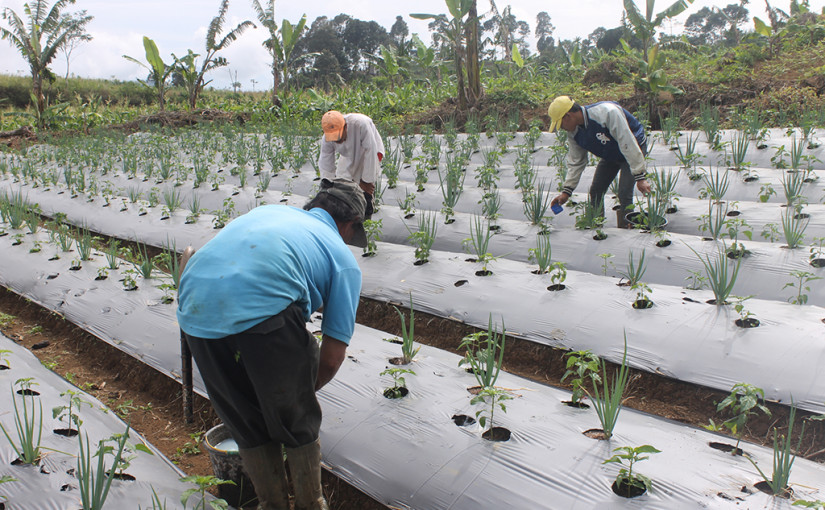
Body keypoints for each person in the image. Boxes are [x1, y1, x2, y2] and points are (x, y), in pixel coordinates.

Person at [176, 179, 366, 510]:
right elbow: (333, 357)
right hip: (265, 309)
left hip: (194, 307)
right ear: (349, 226)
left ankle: (271, 505)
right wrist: (299, 395)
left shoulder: (270, 212)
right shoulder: (342, 257)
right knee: (298, 421)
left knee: (245, 420)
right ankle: (310, 503)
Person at [547, 96, 652, 228]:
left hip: (632, 147)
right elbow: (576, 161)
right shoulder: (574, 132)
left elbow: (627, 142)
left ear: (568, 116)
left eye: (561, 124)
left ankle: (627, 229)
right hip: (610, 154)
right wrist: (566, 192)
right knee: (596, 190)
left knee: (624, 192)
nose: (562, 128)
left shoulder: (607, 113)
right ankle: (597, 226)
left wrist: (640, 177)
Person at [318, 110, 385, 239]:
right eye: (333, 139)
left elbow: (370, 150)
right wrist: (327, 185)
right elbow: (326, 160)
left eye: (338, 137)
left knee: (364, 189)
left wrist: (366, 181)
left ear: (345, 127)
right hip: (348, 156)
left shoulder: (360, 124)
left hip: (369, 152)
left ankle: (367, 216)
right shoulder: (326, 139)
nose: (336, 141)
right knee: (343, 183)